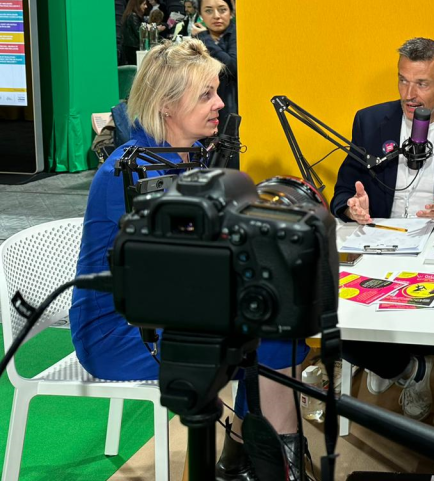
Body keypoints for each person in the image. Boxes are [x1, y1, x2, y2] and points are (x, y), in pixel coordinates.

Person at [70, 39, 312, 481]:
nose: (220, 103)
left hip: (175, 312)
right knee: (276, 338)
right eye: (206, 95)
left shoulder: (193, 156)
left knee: (280, 326)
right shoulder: (127, 173)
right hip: (119, 329)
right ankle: (270, 465)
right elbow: (171, 277)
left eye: (218, 91)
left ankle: (244, 460)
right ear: (166, 105)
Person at [330, 37, 434, 420]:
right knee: (330, 312)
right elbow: (343, 189)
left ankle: (393, 362)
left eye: (422, 84)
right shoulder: (370, 121)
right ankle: (404, 369)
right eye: (403, 81)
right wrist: (351, 207)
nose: (410, 94)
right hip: (378, 239)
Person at [193, 0, 237, 152]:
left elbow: (231, 66)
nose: (217, 16)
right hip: (202, 115)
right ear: (201, 15)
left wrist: (204, 38)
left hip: (231, 113)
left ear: (231, 12)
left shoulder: (239, 35)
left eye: (222, 9)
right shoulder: (195, 42)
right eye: (209, 11)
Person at [119, 0, 149, 66]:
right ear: (137, 5)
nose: (146, 6)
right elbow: (139, 33)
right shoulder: (133, 16)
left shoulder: (131, 15)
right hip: (132, 49)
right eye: (144, 4)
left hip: (130, 48)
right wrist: (149, 29)